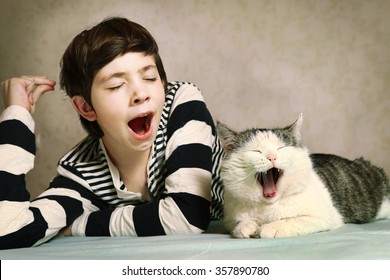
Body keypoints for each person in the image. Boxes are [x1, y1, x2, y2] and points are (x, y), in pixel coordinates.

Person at [0, 17, 224, 249]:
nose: (140, 93)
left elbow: (187, 216)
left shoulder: (181, 103)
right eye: (116, 85)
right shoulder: (82, 173)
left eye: (149, 78)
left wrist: (79, 225)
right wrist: (16, 115)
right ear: (86, 108)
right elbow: (8, 230)